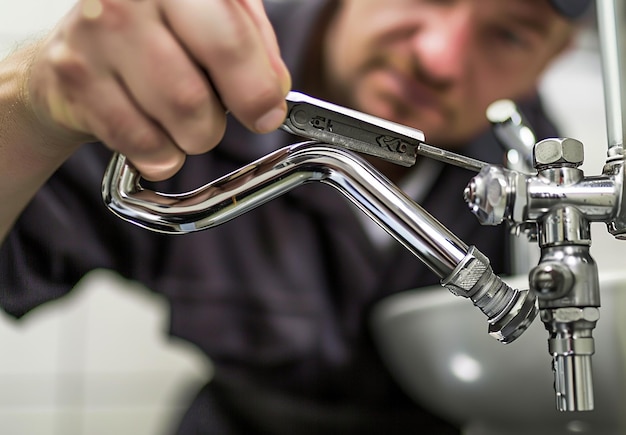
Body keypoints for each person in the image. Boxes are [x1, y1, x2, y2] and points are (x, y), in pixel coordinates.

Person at [0, 0, 589, 433]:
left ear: (553, 57)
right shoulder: (173, 81)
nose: (438, 57)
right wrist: (27, 107)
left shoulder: (529, 153)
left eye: (510, 35)